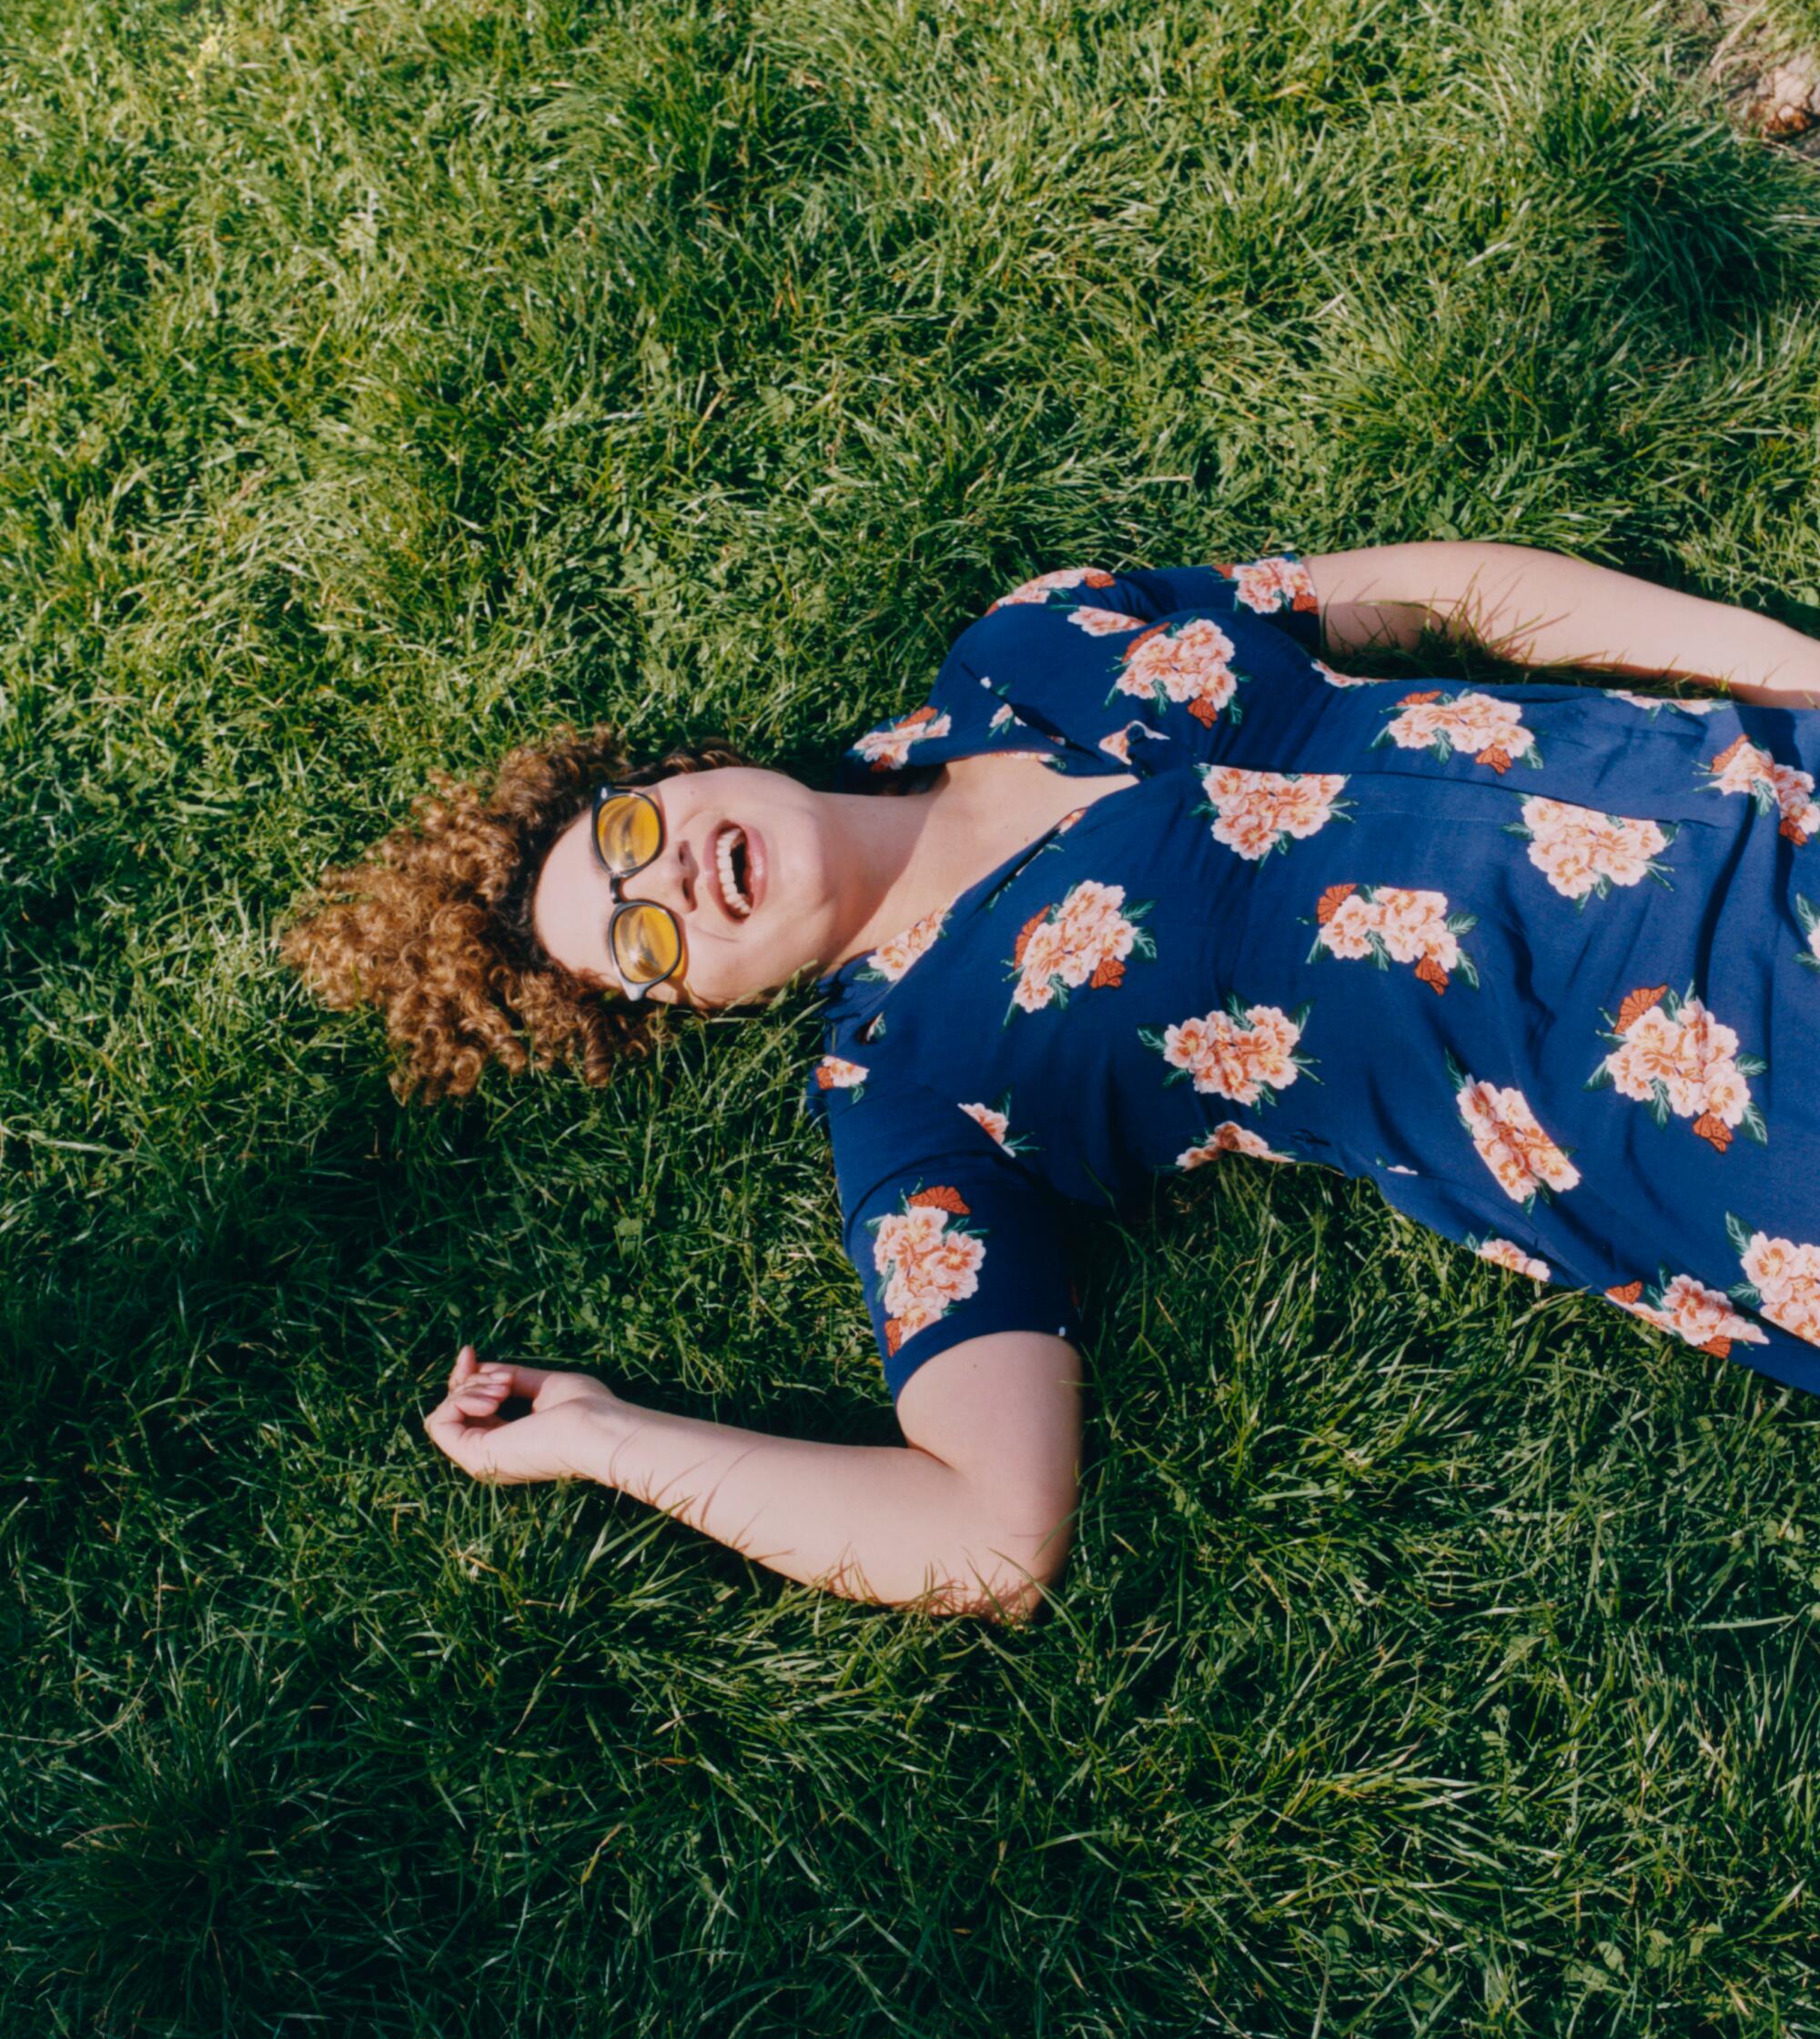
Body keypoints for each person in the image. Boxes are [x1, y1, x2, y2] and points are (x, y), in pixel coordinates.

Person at [284, 541, 1820, 1621]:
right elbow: (988, 1532)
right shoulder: (912, 1087)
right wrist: (606, 1438)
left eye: (629, 835)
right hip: (1736, 1115)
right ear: (693, 1007)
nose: (671, 882)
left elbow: (1456, 590)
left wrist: (1802, 678)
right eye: (640, 941)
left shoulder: (1030, 641)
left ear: (685, 773)